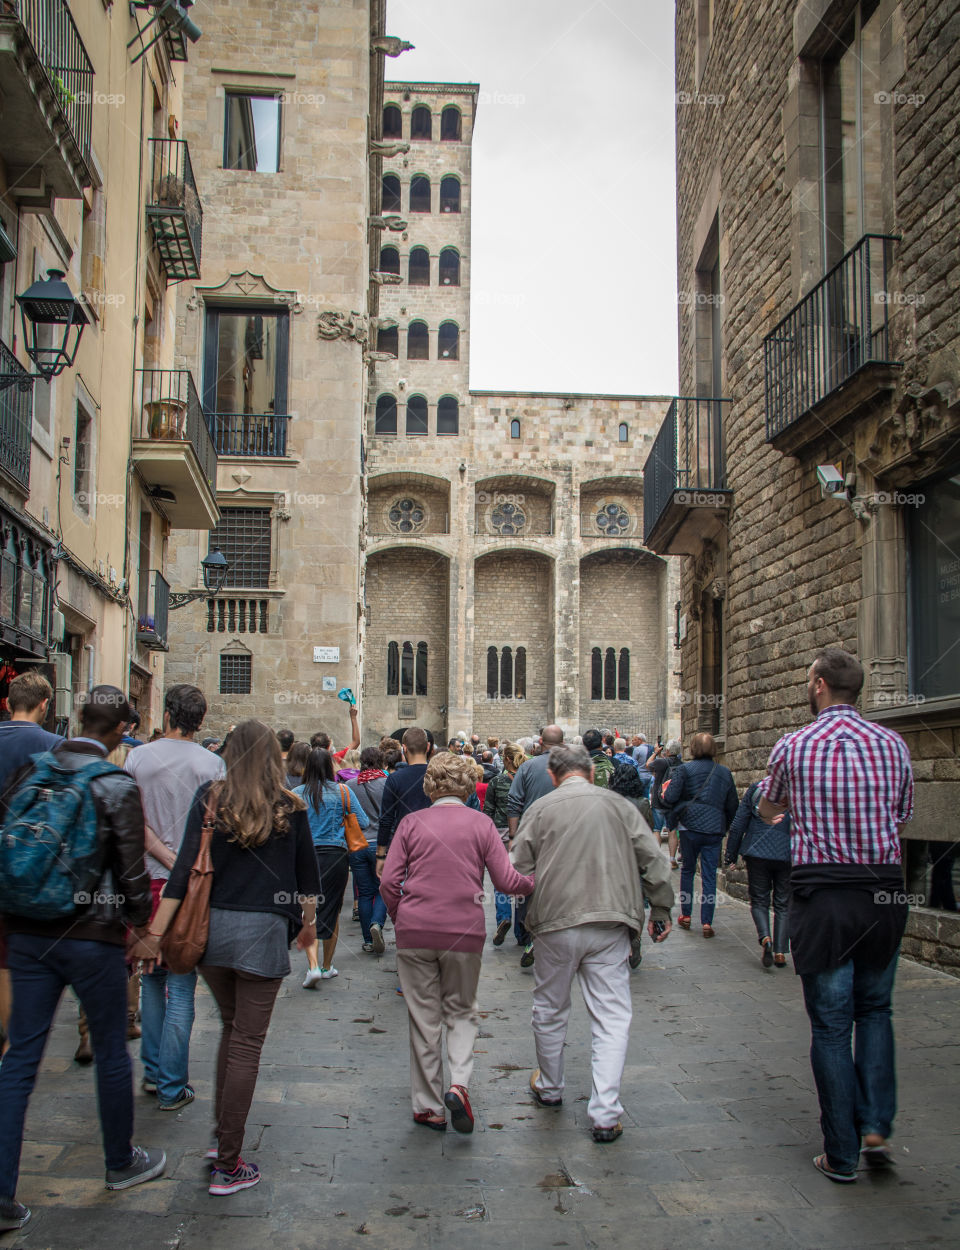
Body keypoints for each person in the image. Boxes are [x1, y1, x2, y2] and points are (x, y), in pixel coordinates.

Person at [0, 686, 164, 1234]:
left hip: (26, 932)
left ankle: (2, 1193)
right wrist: (141, 926)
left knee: (20, 1058)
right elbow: (132, 869)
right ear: (120, 732)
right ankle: (120, 1160)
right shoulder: (114, 784)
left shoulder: (31, 773)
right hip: (91, 934)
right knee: (112, 1050)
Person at [141, 720, 320, 1196]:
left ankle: (223, 1139)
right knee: (246, 1043)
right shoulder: (291, 805)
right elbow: (309, 882)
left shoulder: (210, 797)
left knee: (230, 1029)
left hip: (210, 935)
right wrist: (308, 929)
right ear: (272, 756)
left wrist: (154, 936)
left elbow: (181, 874)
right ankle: (228, 1163)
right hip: (262, 933)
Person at [757, 647, 913, 1184]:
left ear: (819, 684)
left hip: (824, 896)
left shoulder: (795, 744)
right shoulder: (893, 743)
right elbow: (902, 813)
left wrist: (797, 811)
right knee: (876, 1011)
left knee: (829, 1026)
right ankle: (875, 1127)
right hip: (884, 893)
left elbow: (768, 806)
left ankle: (841, 1153)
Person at [511, 743, 674, 1144]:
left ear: (553, 775)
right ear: (590, 771)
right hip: (610, 919)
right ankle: (605, 1112)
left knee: (549, 1007)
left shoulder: (541, 809)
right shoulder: (619, 806)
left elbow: (516, 868)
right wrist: (661, 910)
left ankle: (550, 1086)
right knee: (612, 1015)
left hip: (554, 921)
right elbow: (654, 860)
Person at [379, 753, 534, 1133]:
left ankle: (428, 1106)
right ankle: (459, 1085)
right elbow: (506, 882)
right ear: (467, 786)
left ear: (430, 785)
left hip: (415, 930)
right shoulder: (481, 824)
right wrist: (537, 882)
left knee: (423, 1018)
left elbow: (387, 881)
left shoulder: (411, 823)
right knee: (462, 1010)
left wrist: (402, 917)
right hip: (464, 932)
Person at [125, 684, 225, 1109]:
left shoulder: (137, 758)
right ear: (200, 721)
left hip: (146, 881)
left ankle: (152, 1073)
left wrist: (163, 856)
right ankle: (171, 1084)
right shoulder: (213, 764)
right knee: (182, 984)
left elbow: (131, 820)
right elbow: (214, 829)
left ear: (168, 714)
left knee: (151, 977)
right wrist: (180, 863)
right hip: (192, 888)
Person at [293, 748, 369, 985]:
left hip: (304, 857)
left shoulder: (295, 794)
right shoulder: (343, 791)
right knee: (332, 910)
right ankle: (327, 966)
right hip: (335, 856)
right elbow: (364, 822)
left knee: (309, 912)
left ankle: (312, 965)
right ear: (329, 767)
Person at [661, 732, 738, 937]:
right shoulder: (724, 772)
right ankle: (707, 921)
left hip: (689, 828)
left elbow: (670, 797)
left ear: (693, 748)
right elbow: (732, 806)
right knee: (709, 875)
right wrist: (723, 826)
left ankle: (686, 915)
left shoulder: (684, 769)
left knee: (688, 870)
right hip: (714, 830)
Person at [507, 725, 566, 967]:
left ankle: (524, 933)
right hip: (562, 833)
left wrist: (513, 834)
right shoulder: (571, 767)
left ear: (540, 742)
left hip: (531, 833)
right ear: (563, 743)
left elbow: (514, 800)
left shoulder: (528, 766)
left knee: (526, 883)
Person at [725, 781, 792, 968]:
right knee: (782, 902)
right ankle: (780, 952)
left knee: (759, 899)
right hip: (786, 852)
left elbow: (738, 824)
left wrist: (731, 854)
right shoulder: (796, 790)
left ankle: (765, 938)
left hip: (757, 852)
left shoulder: (756, 789)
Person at [347, 747, 391, 953]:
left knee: (364, 893)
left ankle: (368, 940)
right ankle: (377, 923)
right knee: (383, 888)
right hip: (382, 845)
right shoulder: (388, 783)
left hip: (357, 845)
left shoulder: (349, 786)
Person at [484, 742, 525, 945]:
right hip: (523, 836)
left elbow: (488, 812)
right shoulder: (527, 781)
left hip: (500, 836)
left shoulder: (497, 782)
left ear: (506, 759)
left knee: (501, 882)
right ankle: (520, 931)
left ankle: (504, 918)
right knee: (520, 883)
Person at [376, 727, 433, 875]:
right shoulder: (436, 775)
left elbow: (386, 819)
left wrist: (381, 855)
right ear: (427, 747)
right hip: (434, 842)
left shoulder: (395, 779)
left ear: (404, 748)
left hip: (405, 843)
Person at [649, 739, 682, 860]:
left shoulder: (661, 763)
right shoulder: (681, 764)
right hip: (673, 802)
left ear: (667, 750)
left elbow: (648, 765)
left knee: (657, 829)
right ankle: (672, 859)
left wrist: (655, 753)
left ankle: (657, 858)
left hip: (658, 801)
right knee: (672, 830)